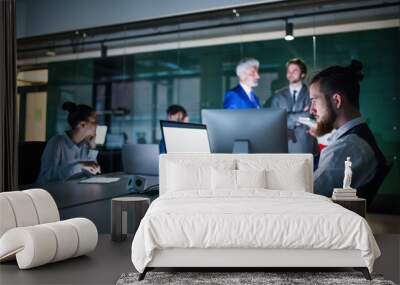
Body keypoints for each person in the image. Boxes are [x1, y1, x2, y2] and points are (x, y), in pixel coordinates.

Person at [309, 60, 387, 202]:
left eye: (314, 101)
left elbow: (308, 192)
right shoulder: (353, 139)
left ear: (337, 101)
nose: (311, 110)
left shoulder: (349, 147)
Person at [36, 102, 101, 184]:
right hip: (53, 193)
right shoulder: (57, 142)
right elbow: (48, 176)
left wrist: (93, 148)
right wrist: (79, 165)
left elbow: (92, 174)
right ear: (82, 124)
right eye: (95, 122)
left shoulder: (86, 144)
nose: (97, 124)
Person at [271, 58, 317, 153]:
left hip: (305, 143)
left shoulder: (311, 93)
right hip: (284, 143)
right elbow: (274, 120)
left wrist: (287, 116)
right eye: (289, 71)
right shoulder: (278, 96)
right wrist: (301, 115)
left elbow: (311, 115)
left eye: (295, 70)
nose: (291, 73)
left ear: (303, 74)